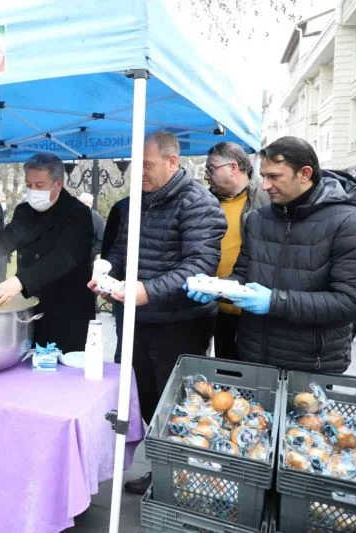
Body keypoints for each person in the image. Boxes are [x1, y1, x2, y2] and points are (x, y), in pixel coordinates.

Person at [91, 131, 226, 495]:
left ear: (172, 162)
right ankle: (162, 468)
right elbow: (122, 250)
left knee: (179, 403)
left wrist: (147, 290)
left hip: (179, 323)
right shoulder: (136, 202)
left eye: (147, 166)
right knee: (143, 396)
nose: (140, 173)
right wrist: (106, 271)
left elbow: (199, 266)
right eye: (136, 166)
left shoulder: (199, 204)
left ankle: (180, 478)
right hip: (136, 320)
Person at [188, 136, 356, 372]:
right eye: (263, 176)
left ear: (304, 174)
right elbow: (243, 275)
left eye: (274, 177)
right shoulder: (258, 219)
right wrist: (216, 288)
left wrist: (275, 302)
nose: (265, 185)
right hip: (253, 356)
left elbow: (355, 301)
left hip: (312, 365)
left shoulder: (348, 223)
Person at [0, 152, 95, 353]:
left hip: (67, 311)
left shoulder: (77, 213)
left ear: (58, 184)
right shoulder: (24, 211)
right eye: (29, 185)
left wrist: (20, 281)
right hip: (30, 308)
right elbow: (6, 241)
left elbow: (64, 258)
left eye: (40, 185)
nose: (33, 191)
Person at [204, 142, 269, 360]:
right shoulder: (206, 201)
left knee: (249, 370)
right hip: (216, 305)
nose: (207, 176)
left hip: (254, 309)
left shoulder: (267, 199)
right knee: (223, 367)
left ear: (233, 167)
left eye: (211, 169)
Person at [101, 200, 124, 363]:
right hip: (123, 297)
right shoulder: (122, 208)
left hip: (172, 314)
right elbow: (112, 250)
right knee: (124, 357)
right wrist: (107, 279)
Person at [78, 192, 107, 260]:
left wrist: (90, 253)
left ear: (91, 205)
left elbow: (101, 241)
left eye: (84, 203)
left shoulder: (99, 220)